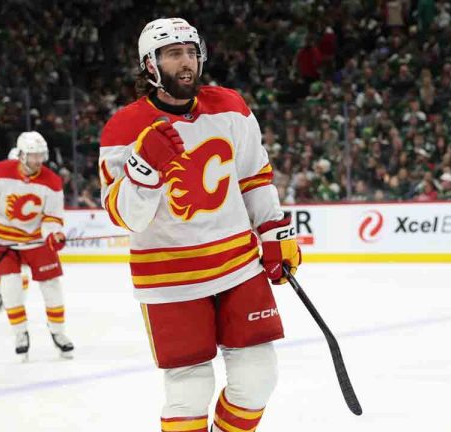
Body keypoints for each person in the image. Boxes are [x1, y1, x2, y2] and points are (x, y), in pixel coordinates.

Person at [99, 18, 301, 432]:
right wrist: (143, 168)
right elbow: (126, 218)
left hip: (238, 266)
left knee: (258, 378)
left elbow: (254, 178)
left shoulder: (230, 107)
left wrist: (274, 233)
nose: (186, 62)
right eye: (174, 54)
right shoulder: (124, 127)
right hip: (170, 278)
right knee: (190, 390)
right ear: (150, 65)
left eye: (191, 52)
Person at [0, 132, 73, 360]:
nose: (38, 161)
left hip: (36, 241)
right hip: (3, 242)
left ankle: (58, 332)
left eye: (41, 156)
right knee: (10, 288)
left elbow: (52, 217)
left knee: (52, 286)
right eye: (34, 156)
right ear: (22, 155)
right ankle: (20, 333)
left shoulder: (52, 181)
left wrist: (53, 234)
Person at [0, 147, 31, 316]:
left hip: (24, 236)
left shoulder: (33, 183)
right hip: (1, 235)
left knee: (23, 273)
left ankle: (20, 303)